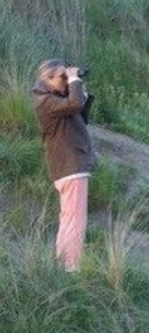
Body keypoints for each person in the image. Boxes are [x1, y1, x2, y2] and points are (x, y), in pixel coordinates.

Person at [32, 59, 96, 272]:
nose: (65, 80)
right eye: (61, 77)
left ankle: (64, 264)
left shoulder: (53, 99)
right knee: (75, 219)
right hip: (69, 166)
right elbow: (75, 104)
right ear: (47, 79)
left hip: (70, 165)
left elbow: (81, 109)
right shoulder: (45, 102)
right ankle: (70, 267)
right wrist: (75, 80)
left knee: (70, 217)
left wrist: (75, 83)